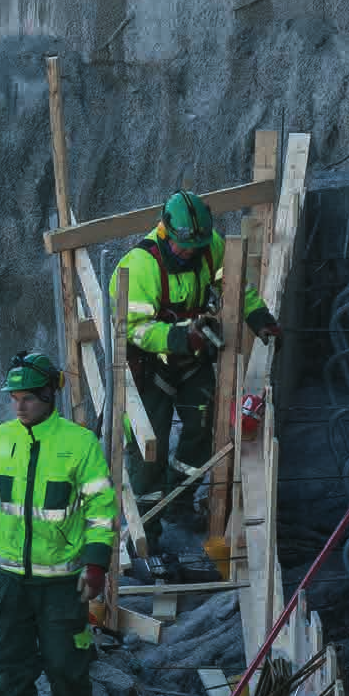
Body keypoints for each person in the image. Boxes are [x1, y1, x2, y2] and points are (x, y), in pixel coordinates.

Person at [0, 350, 116, 696]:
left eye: (27, 397)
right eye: (14, 398)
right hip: (7, 581)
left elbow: (101, 511)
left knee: (66, 666)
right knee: (10, 668)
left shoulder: (79, 444)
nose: (19, 405)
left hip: (62, 583)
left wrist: (96, 564)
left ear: (49, 396)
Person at [108, 189, 282, 507]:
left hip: (193, 360)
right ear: (165, 230)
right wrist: (180, 337)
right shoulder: (139, 268)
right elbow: (133, 329)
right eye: (184, 246)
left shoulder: (208, 245)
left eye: (195, 247)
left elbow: (232, 284)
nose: (190, 253)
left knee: (204, 433)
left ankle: (177, 500)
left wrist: (259, 318)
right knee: (149, 451)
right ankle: (149, 529)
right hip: (151, 367)